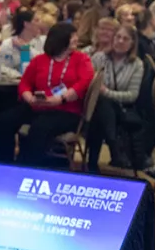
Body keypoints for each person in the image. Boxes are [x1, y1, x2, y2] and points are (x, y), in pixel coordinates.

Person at [16, 22, 96, 169]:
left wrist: (61, 98)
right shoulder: (40, 60)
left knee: (39, 127)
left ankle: (28, 168)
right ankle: (2, 162)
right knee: (5, 121)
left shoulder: (81, 59)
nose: (76, 39)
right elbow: (25, 83)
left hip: (66, 109)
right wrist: (29, 98)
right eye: (72, 36)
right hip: (38, 105)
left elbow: (84, 82)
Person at [87, 24, 145, 172]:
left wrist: (106, 92)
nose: (120, 41)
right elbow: (89, 87)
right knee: (101, 107)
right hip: (94, 108)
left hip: (121, 110)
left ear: (132, 43)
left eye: (125, 39)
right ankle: (113, 145)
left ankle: (93, 162)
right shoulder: (99, 58)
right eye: (118, 37)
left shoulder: (137, 64)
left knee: (102, 105)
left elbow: (132, 96)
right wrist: (101, 93)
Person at [0, 9, 43, 81]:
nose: (40, 23)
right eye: (36, 20)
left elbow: (43, 63)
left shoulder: (42, 41)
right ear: (26, 24)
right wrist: (17, 76)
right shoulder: (8, 44)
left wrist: (25, 49)